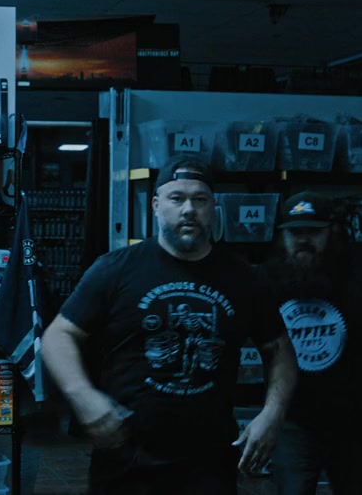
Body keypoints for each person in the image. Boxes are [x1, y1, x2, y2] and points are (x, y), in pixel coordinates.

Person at [41, 156, 298, 495]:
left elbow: (279, 348)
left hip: (208, 463)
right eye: (177, 198)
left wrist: (272, 414)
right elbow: (58, 335)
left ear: (213, 207)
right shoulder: (115, 269)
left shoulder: (244, 278)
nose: (189, 209)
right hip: (127, 458)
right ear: (156, 205)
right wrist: (82, 395)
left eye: (200, 199)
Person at [262, 191, 362, 495]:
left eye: (313, 232)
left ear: (332, 232)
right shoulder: (268, 280)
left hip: (355, 421)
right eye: (295, 233)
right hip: (292, 421)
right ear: (282, 236)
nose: (303, 240)